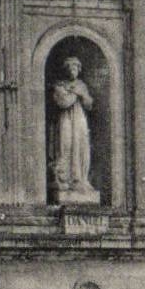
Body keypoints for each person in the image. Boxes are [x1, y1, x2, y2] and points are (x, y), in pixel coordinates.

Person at [50, 56, 97, 198]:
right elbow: (63, 102)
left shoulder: (82, 85)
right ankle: (65, 179)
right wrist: (76, 94)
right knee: (66, 145)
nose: (73, 71)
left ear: (79, 70)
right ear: (66, 70)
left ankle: (80, 179)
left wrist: (82, 95)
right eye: (70, 68)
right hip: (65, 118)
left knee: (81, 146)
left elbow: (89, 104)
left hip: (79, 118)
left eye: (75, 68)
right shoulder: (60, 85)